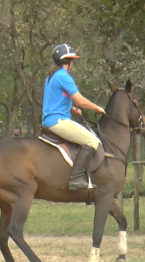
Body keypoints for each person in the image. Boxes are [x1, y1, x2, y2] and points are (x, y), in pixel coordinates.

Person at [42, 43, 105, 190]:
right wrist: (98, 108)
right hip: (58, 121)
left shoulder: (52, 76)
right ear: (69, 61)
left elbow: (54, 100)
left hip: (52, 119)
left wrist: (70, 109)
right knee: (91, 141)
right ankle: (76, 178)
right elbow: (81, 101)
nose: (73, 64)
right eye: (73, 61)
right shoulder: (64, 77)